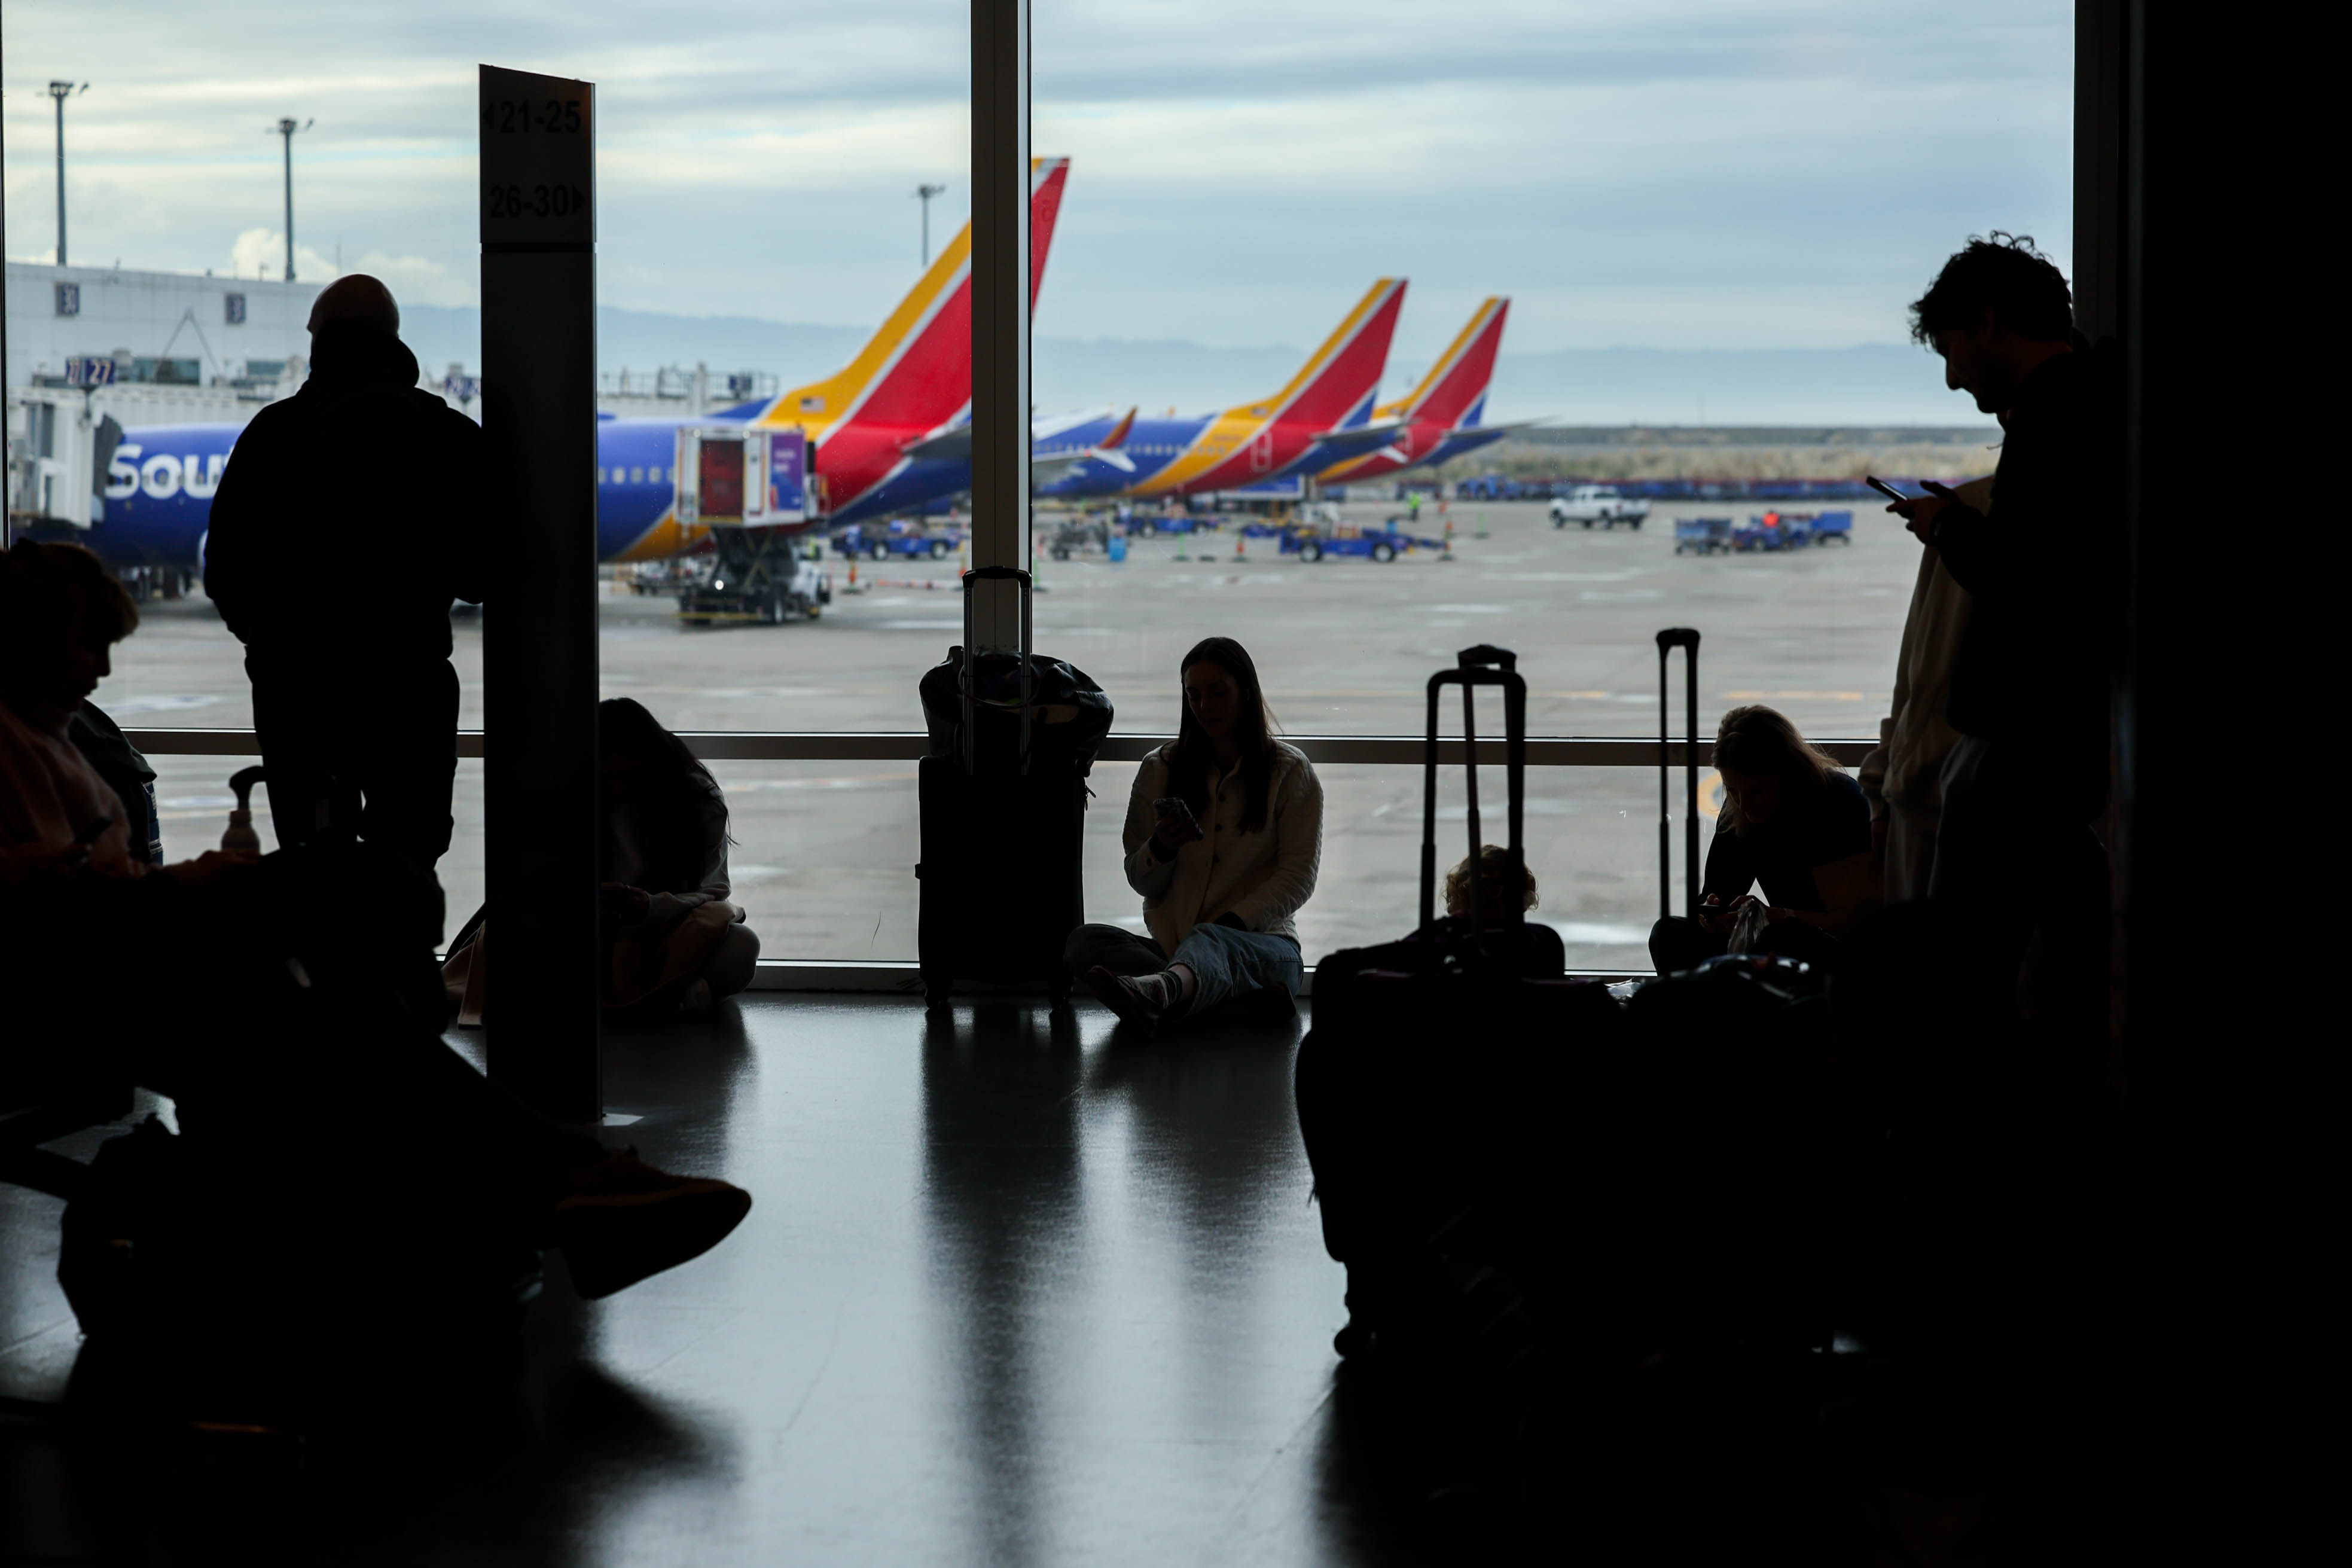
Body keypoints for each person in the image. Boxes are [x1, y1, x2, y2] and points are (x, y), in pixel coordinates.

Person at [1, 541, 749, 1304]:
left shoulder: (46, 737)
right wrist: (189, 887)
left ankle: (562, 1193)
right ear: (26, 639)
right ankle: (570, 1188)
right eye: (85, 645)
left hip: (107, 969)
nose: (102, 670)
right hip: (86, 985)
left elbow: (78, 893)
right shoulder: (14, 746)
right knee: (351, 1019)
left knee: (350, 1012)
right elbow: (58, 900)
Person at [1881, 233, 2119, 1027]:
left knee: (1962, 973)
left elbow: (2024, 577)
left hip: (2020, 744)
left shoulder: (2057, 418)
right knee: (2065, 939)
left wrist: (1950, 525)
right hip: (2054, 747)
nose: (1952, 375)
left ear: (1987, 324)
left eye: (1951, 347)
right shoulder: (2087, 404)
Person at [203, 274, 492, 874]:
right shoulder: (450, 436)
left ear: (323, 339)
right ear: (392, 339)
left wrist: (275, 646)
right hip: (410, 693)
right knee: (407, 871)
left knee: (315, 877)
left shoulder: (274, 435)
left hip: (300, 696)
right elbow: (485, 572)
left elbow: (226, 569)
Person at [1065, 637, 1322, 1033]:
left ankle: (1163, 994)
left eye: (1218, 693)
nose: (1205, 707)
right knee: (1084, 943)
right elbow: (1139, 878)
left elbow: (1297, 878)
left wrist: (1231, 924)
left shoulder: (1289, 771)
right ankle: (1216, 1005)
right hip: (1174, 947)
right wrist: (1161, 849)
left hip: (1261, 947)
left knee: (1210, 940)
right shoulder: (1160, 768)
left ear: (1246, 693)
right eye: (1194, 695)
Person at [1649, 704, 1873, 975]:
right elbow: (1718, 893)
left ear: (1788, 775)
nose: (1743, 804)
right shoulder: (1742, 810)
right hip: (1778, 936)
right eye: (1732, 790)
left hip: (1840, 951)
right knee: (1670, 934)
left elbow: (1859, 921)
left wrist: (1782, 917)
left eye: (1756, 791)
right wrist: (1713, 915)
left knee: (1781, 939)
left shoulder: (1838, 804)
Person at [1857, 468, 1990, 904]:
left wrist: (1882, 785)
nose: (1957, 392)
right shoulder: (1970, 509)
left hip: (1930, 798)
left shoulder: (1967, 513)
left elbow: (1921, 675)